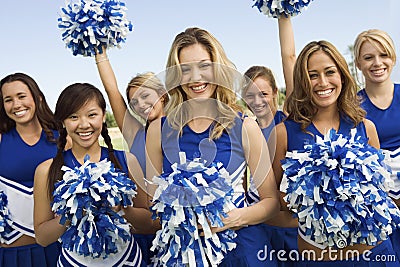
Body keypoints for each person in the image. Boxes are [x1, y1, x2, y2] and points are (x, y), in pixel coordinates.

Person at [146, 27, 280, 266]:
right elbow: (152, 207)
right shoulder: (158, 130)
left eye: (204, 66)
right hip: (185, 255)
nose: (196, 78)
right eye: (185, 69)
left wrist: (232, 218)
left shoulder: (245, 126)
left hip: (241, 250)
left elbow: (271, 203)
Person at [273, 39, 399, 266]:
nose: (322, 82)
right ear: (302, 81)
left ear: (342, 75)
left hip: (376, 255)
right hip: (319, 259)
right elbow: (277, 200)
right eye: (312, 75)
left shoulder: (365, 126)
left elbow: (380, 191)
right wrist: (317, 202)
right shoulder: (283, 133)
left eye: (330, 72)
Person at [33, 83, 153, 266]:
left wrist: (122, 209)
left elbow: (150, 223)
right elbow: (42, 238)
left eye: (92, 115)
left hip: (127, 260)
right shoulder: (46, 170)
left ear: (103, 116)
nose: (83, 124)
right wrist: (73, 213)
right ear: (63, 122)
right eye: (73, 116)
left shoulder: (127, 161)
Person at [94, 50, 164, 265]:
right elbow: (112, 91)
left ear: (162, 94)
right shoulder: (135, 134)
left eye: (145, 96)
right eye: (133, 102)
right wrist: (99, 53)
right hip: (140, 231)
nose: (140, 104)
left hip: (177, 230)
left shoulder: (183, 132)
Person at [242, 17, 298, 267]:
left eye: (263, 93)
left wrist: (283, 15)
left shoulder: (288, 119)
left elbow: (290, 58)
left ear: (276, 92)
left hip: (289, 218)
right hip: (259, 218)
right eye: (250, 95)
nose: (257, 101)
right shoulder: (244, 128)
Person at [0, 72, 61, 266]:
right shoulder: (2, 139)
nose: (16, 105)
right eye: (8, 100)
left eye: (21, 96)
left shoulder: (64, 140)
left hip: (58, 247)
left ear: (38, 98)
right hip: (13, 252)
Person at [353, 28, 400, 262]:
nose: (377, 63)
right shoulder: (352, 107)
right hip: (378, 207)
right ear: (358, 64)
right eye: (368, 57)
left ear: (393, 58)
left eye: (383, 55)